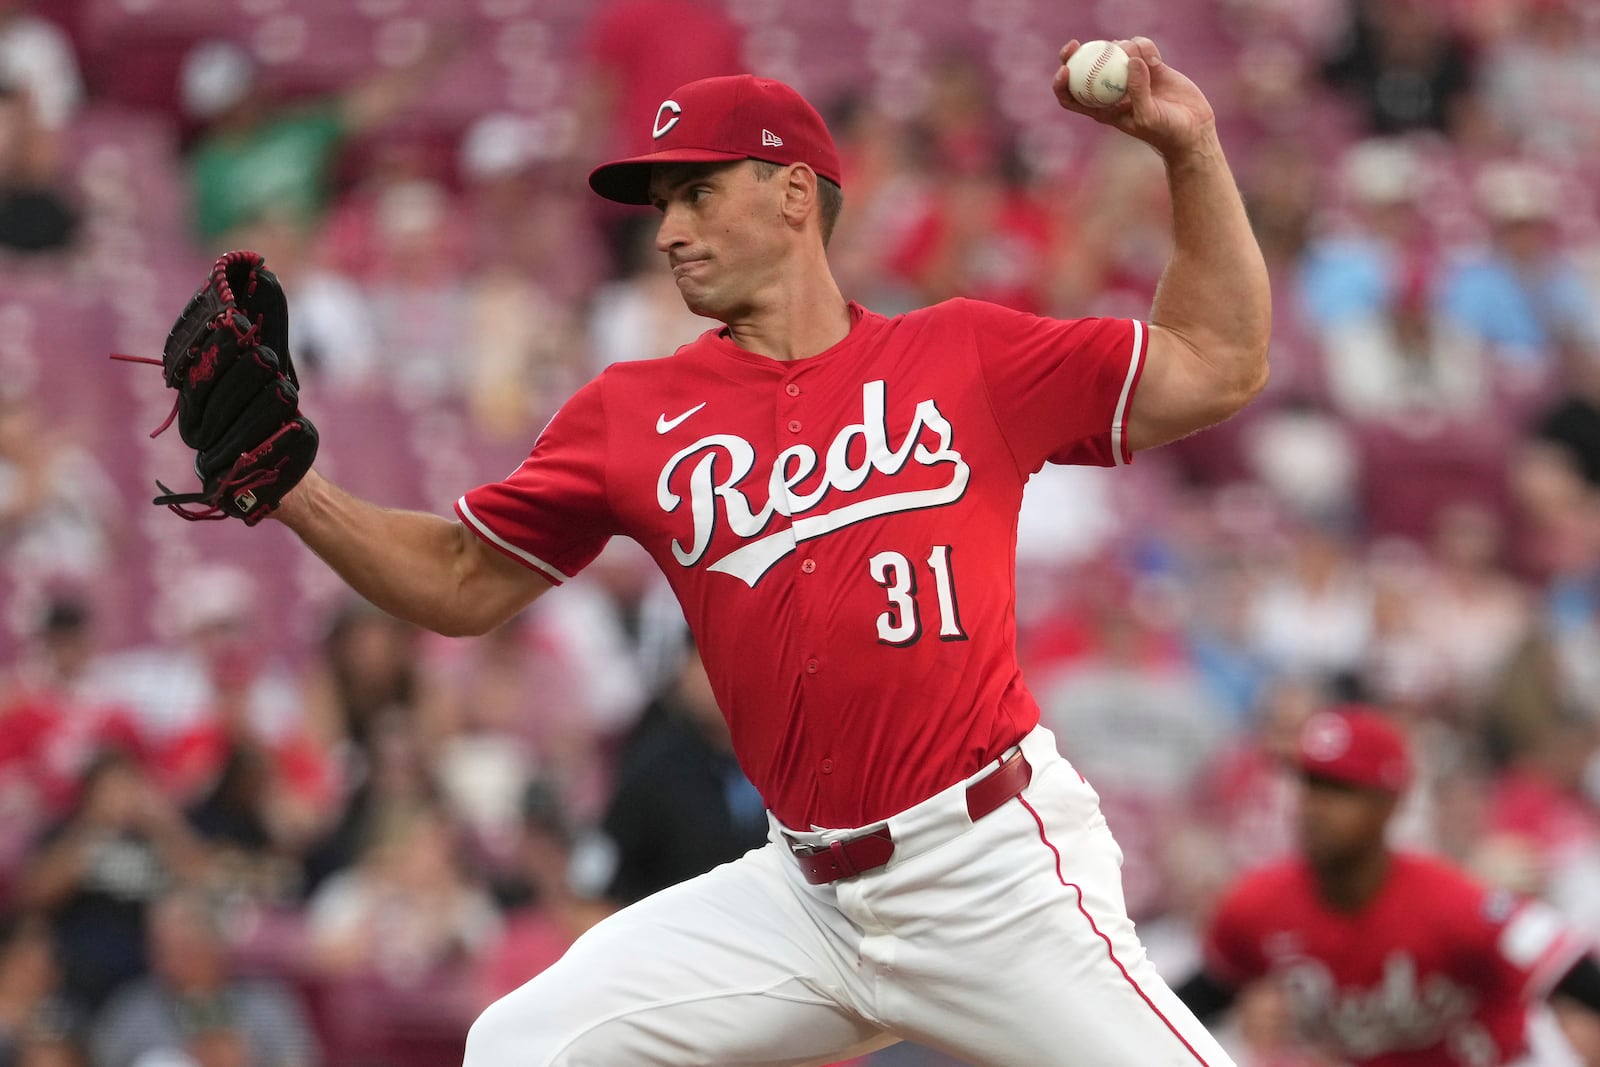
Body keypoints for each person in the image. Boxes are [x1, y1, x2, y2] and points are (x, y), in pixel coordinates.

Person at [260, 35, 1270, 1065]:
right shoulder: (631, 412)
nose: (668, 231)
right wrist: (292, 490)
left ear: (794, 192)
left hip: (989, 873)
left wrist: (1187, 149)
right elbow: (461, 582)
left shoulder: (961, 354)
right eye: (661, 206)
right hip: (807, 896)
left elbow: (1215, 364)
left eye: (696, 193)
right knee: (522, 1044)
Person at [1176, 706, 1600, 1067]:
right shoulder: (1259, 906)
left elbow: (1574, 971)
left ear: (1390, 803)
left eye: (1339, 790)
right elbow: (1192, 1003)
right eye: (1309, 784)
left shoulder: (1453, 900)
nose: (1314, 806)